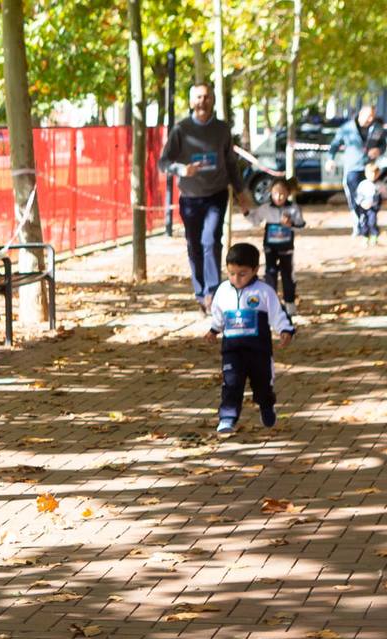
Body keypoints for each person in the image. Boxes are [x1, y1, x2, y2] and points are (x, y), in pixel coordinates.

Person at [162, 83, 250, 307]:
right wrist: (182, 170)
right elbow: (163, 162)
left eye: (207, 97)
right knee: (194, 244)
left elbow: (231, 162)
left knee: (210, 240)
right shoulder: (181, 129)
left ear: (212, 100)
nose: (203, 101)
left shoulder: (222, 129)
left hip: (216, 194)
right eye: (198, 97)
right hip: (190, 197)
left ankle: (213, 292)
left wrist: (241, 192)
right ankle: (200, 292)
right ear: (192, 102)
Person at [206, 243, 295, 436]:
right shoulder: (223, 291)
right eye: (231, 273)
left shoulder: (264, 292)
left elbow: (277, 314)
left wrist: (284, 329)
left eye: (242, 274)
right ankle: (227, 417)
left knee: (262, 384)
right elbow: (218, 313)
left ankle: (266, 405)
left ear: (255, 270)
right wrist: (214, 329)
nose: (236, 278)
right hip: (232, 350)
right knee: (231, 383)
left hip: (259, 351)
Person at [247, 178, 305, 303]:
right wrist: (245, 212)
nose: (278, 197)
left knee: (287, 274)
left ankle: (289, 302)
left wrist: (291, 224)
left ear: (288, 193)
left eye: (282, 194)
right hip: (270, 248)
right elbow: (255, 220)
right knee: (270, 273)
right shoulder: (266, 208)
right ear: (270, 193)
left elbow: (301, 226)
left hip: (286, 248)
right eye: (275, 193)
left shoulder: (294, 208)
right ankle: (271, 302)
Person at [331, 104, 387, 205]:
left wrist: (378, 150)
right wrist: (330, 159)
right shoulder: (347, 128)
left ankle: (368, 220)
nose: (371, 119)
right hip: (353, 169)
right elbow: (335, 145)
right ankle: (358, 220)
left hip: (369, 170)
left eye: (373, 116)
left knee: (370, 201)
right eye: (369, 116)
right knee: (355, 201)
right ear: (361, 114)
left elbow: (383, 144)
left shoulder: (377, 128)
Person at [353, 145, 386, 243]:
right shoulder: (363, 185)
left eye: (374, 174)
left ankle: (374, 236)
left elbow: (384, 193)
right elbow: (358, 195)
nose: (372, 176)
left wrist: (385, 199)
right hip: (363, 207)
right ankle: (365, 236)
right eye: (370, 173)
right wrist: (361, 203)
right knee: (364, 222)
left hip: (373, 207)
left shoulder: (379, 185)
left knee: (372, 221)